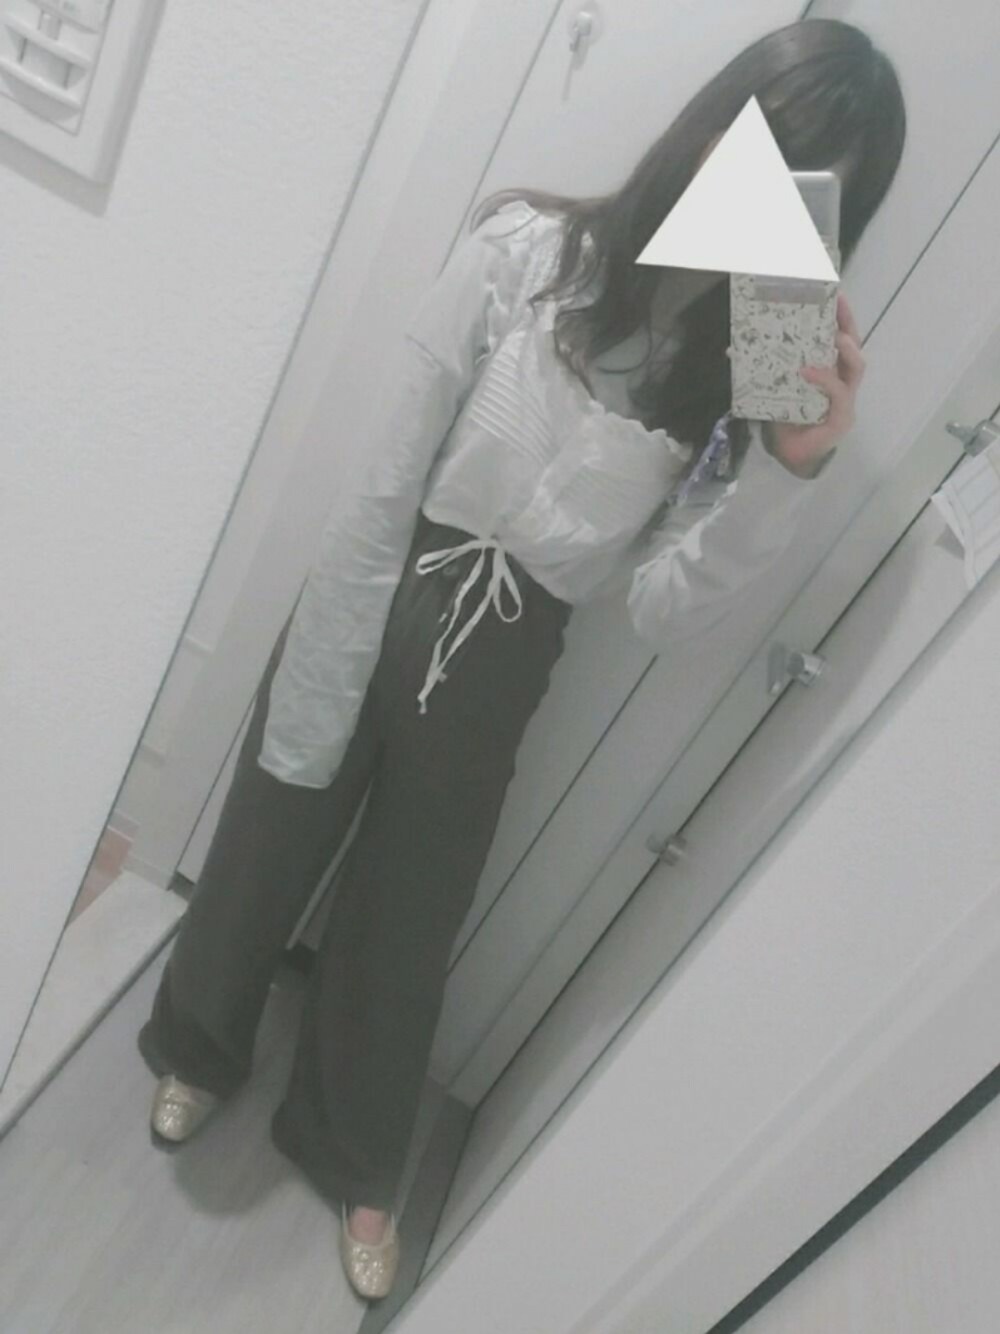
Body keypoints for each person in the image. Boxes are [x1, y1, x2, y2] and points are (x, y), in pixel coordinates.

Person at [137, 17, 905, 1302]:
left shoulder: (736, 397)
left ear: (835, 222)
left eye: (812, 187)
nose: (767, 199)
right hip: (387, 571)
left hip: (508, 648)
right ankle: (196, 1040)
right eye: (763, 150)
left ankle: (351, 1139)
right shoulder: (529, 249)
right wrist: (340, 631)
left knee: (410, 912)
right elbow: (390, 470)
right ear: (712, 126)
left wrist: (786, 468)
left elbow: (661, 612)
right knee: (275, 819)